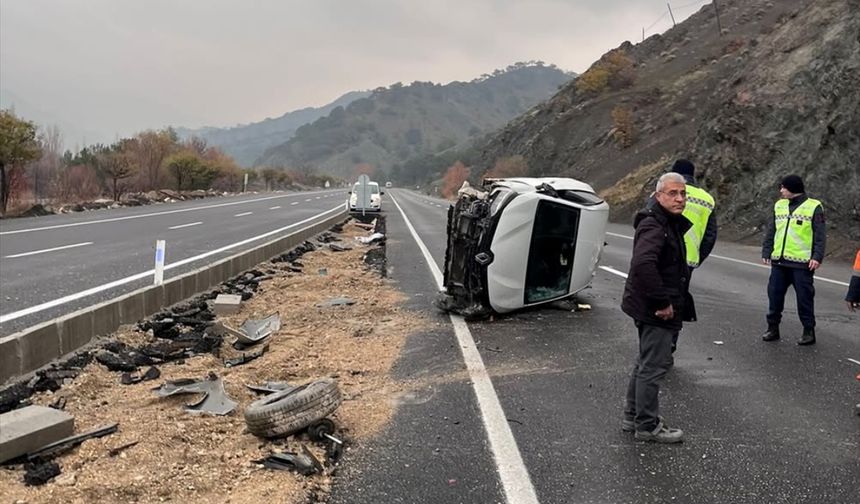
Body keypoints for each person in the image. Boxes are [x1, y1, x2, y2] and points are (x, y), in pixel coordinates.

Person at [621, 172, 695, 443]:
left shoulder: (666, 221)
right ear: (658, 195)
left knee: (644, 362)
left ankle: (633, 416)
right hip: (655, 307)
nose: (679, 198)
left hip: (646, 304)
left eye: (683, 193)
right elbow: (643, 264)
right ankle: (647, 425)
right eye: (673, 193)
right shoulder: (655, 225)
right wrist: (662, 302)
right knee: (654, 366)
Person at [760, 175, 826, 345]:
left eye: (783, 187)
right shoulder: (779, 205)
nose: (781, 191)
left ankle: (808, 331)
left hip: (802, 264)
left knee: (804, 298)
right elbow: (772, 230)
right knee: (774, 296)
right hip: (779, 262)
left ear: (793, 188)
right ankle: (772, 328)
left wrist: (817, 256)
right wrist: (767, 250)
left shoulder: (814, 207)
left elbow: (820, 235)